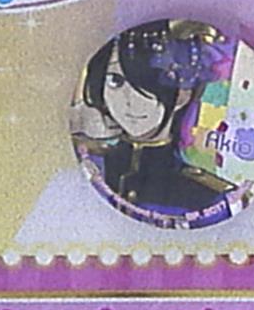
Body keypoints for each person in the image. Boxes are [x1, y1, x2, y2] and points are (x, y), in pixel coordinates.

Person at [74, 19, 236, 215]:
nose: (129, 100)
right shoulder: (88, 162)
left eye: (150, 83)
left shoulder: (207, 196)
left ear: (183, 93)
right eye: (116, 81)